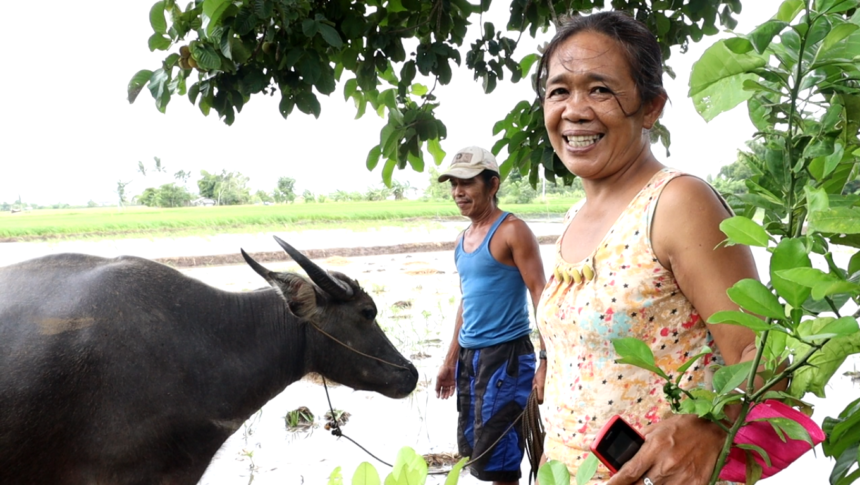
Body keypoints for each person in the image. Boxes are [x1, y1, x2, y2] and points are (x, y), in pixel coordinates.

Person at [532, 11, 764, 485]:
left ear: (651, 106)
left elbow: (762, 357)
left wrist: (714, 428)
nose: (574, 109)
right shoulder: (575, 217)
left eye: (599, 89)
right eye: (559, 90)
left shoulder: (679, 203)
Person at [435, 146, 548, 485]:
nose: (458, 192)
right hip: (471, 359)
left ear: (492, 184)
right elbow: (467, 302)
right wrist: (450, 361)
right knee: (476, 453)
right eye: (454, 184)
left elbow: (541, 294)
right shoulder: (462, 240)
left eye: (467, 183)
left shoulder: (512, 231)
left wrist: (546, 360)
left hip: (507, 358)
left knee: (501, 458)